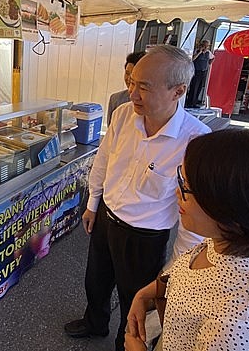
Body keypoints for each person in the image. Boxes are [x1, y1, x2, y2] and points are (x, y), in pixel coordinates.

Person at [64, 45, 210, 350]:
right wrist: (93, 204)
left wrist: (178, 268)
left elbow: (194, 214)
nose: (132, 94)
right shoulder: (123, 114)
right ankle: (95, 322)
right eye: (131, 83)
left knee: (136, 298)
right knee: (96, 280)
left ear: (178, 91)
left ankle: (126, 344)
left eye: (143, 87)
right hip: (107, 215)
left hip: (145, 234)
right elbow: (103, 160)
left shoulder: (196, 140)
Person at [125, 129, 249, 351]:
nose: (177, 193)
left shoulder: (237, 328)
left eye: (187, 187)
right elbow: (187, 274)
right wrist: (145, 294)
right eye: (182, 177)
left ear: (233, 214)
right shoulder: (228, 244)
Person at [106, 51, 146, 126]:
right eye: (127, 73)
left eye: (133, 74)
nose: (129, 79)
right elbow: (110, 130)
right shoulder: (115, 99)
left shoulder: (149, 101)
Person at [185, 40, 214, 108]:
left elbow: (213, 58)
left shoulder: (208, 52)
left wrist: (209, 64)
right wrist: (200, 52)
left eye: (207, 46)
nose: (206, 47)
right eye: (205, 45)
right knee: (194, 86)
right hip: (196, 71)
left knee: (200, 87)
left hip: (203, 71)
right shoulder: (197, 51)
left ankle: (195, 102)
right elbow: (192, 59)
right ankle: (190, 102)